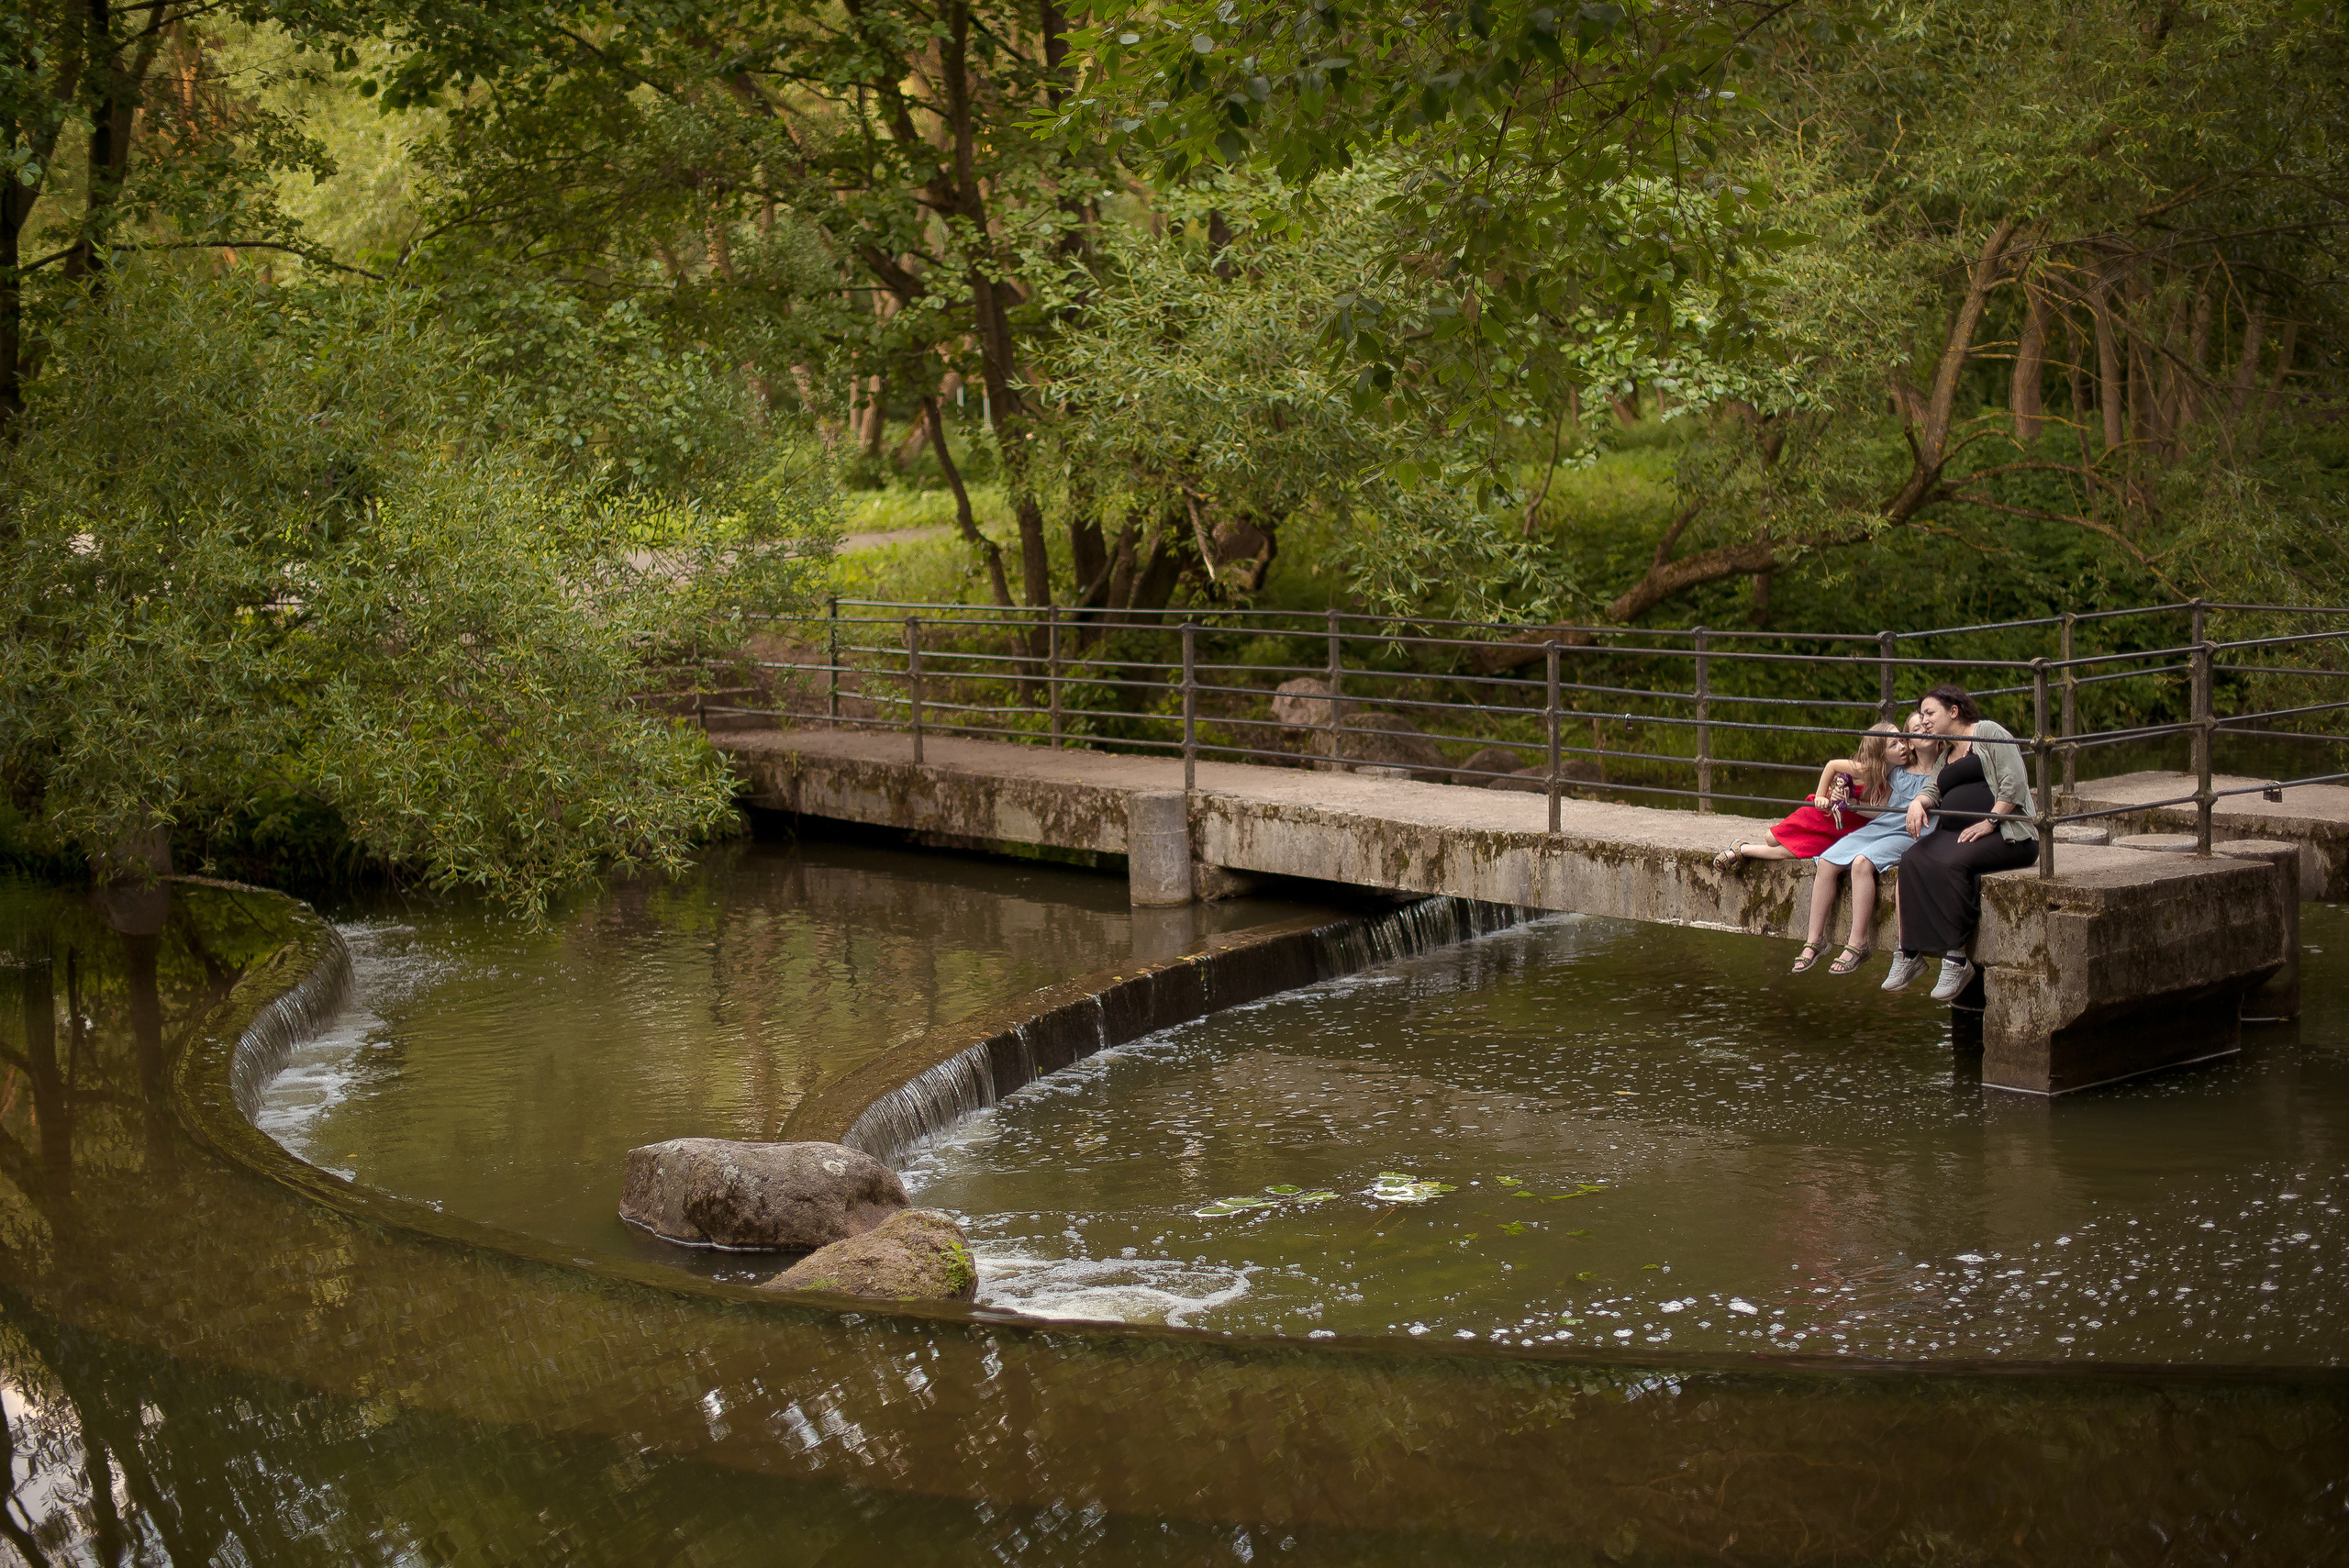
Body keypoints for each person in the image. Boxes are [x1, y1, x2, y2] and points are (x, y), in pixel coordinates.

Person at [1881, 684, 2040, 999]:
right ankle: (1910, 953)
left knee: (1952, 863)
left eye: (1930, 713)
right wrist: (1918, 803)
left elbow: (2014, 781)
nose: (1923, 721)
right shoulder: (1947, 751)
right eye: (1922, 715)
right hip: (1954, 832)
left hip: (2006, 833)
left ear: (1953, 711)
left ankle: (1956, 958)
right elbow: (1933, 789)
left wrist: (1991, 821)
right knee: (1912, 860)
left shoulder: (1987, 733)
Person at [1798, 711, 1944, 975]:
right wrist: (1852, 804)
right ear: (1910, 742)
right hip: (1884, 825)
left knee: (1861, 862)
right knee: (1828, 860)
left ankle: (1858, 943)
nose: (1923, 731)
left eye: (1926, 727)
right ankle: (1815, 939)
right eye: (1915, 730)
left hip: (1913, 832)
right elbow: (1882, 809)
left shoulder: (1944, 769)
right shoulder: (1899, 771)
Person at [1712, 725, 1900, 901]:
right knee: (1771, 838)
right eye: (1895, 744)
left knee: (1793, 852)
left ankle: (1741, 849)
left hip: (1842, 828)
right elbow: (1832, 766)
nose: (1902, 746)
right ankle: (1739, 848)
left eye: (1902, 741)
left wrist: (1854, 804)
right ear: (1880, 753)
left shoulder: (1892, 779)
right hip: (1823, 815)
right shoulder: (1864, 769)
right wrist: (1821, 795)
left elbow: (1878, 812)